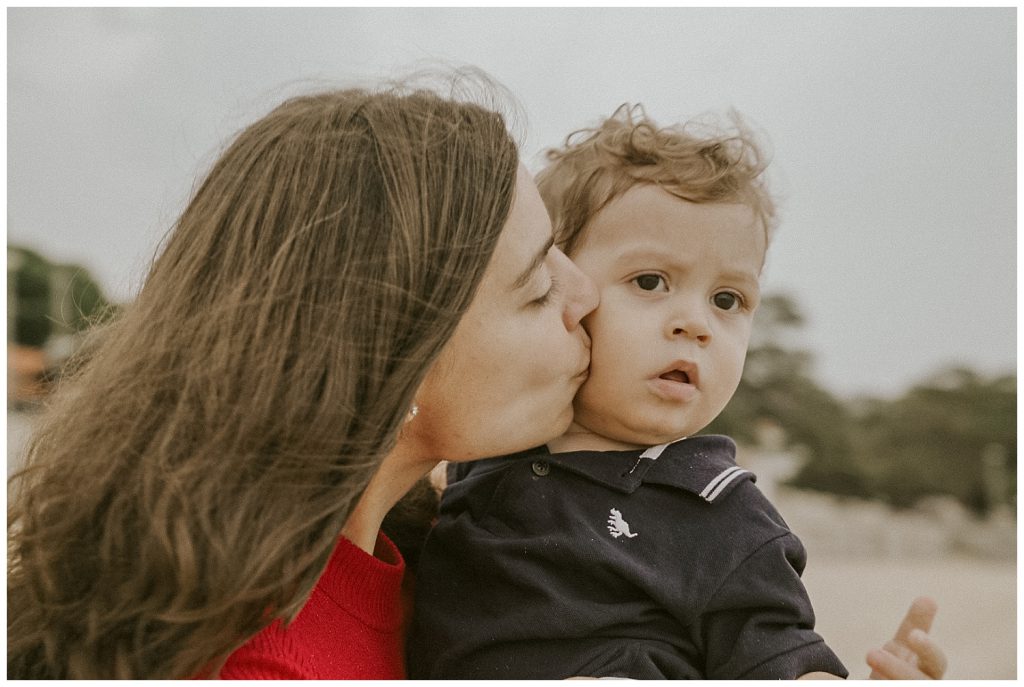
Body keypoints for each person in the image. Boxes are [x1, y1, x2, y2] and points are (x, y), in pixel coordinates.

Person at [6, 74, 600, 679]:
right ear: (395, 361)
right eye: (539, 288)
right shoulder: (264, 667)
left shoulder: (418, 555)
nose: (587, 293)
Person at [408, 105, 948, 680]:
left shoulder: (719, 512)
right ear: (557, 285)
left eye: (727, 300)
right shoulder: (481, 448)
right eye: (650, 282)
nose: (696, 323)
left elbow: (779, 657)